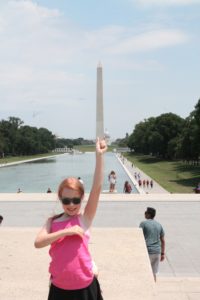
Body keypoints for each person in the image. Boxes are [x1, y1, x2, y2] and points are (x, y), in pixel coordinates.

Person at [34, 138, 107, 300]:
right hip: (60, 288)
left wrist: (99, 156)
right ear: (60, 199)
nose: (71, 205)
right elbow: (38, 242)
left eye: (76, 200)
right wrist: (66, 232)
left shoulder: (85, 218)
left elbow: (97, 187)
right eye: (66, 200)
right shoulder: (52, 222)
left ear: (82, 198)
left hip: (85, 287)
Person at [139, 207, 165, 282]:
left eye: (146, 212)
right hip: (157, 252)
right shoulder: (159, 225)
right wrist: (162, 253)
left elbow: (139, 236)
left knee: (145, 273)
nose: (144, 214)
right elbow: (163, 240)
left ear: (148, 214)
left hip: (148, 251)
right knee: (153, 273)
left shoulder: (143, 224)